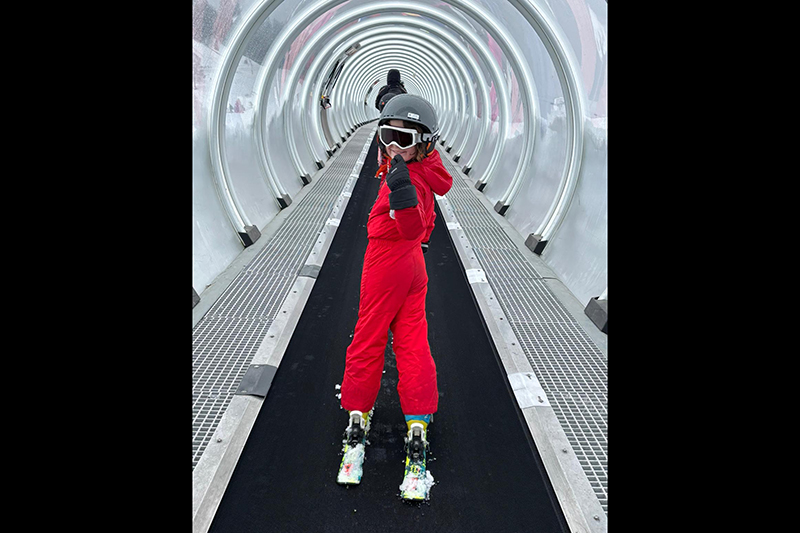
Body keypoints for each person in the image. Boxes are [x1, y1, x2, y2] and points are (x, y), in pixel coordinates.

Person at [340, 94, 453, 478]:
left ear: (424, 144)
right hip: (414, 264)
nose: (393, 146)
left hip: (386, 263)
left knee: (368, 337)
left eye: (403, 140)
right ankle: (418, 419)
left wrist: (401, 196)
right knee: (412, 339)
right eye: (387, 135)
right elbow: (423, 228)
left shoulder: (405, 179)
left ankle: (358, 411)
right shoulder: (423, 170)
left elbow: (411, 223)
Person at [373, 69, 407, 166]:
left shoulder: (383, 90)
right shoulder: (403, 90)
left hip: (384, 119)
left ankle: (381, 160)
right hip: (399, 121)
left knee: (383, 138)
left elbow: (377, 104)